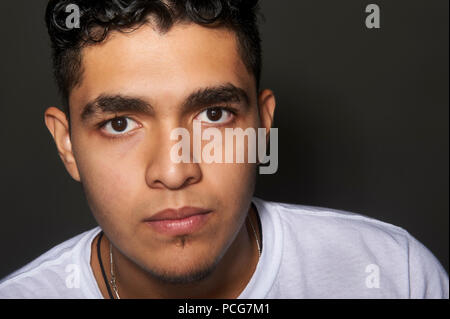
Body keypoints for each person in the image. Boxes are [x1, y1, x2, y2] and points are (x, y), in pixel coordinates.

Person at [0, 0, 448, 299]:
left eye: (214, 114)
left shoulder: (395, 276)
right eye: (120, 124)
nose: (175, 171)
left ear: (263, 124)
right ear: (68, 146)